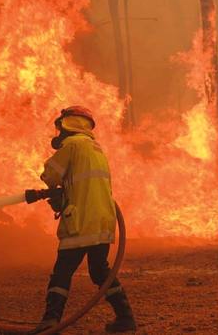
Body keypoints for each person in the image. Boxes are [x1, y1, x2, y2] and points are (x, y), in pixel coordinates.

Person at [33, 106, 136, 333]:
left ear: (69, 124)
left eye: (60, 127)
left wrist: (54, 184)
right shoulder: (96, 148)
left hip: (80, 221)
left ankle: (51, 320)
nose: (59, 132)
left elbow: (51, 175)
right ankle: (126, 319)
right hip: (102, 220)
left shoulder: (72, 145)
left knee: (62, 271)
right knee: (100, 271)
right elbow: (84, 185)